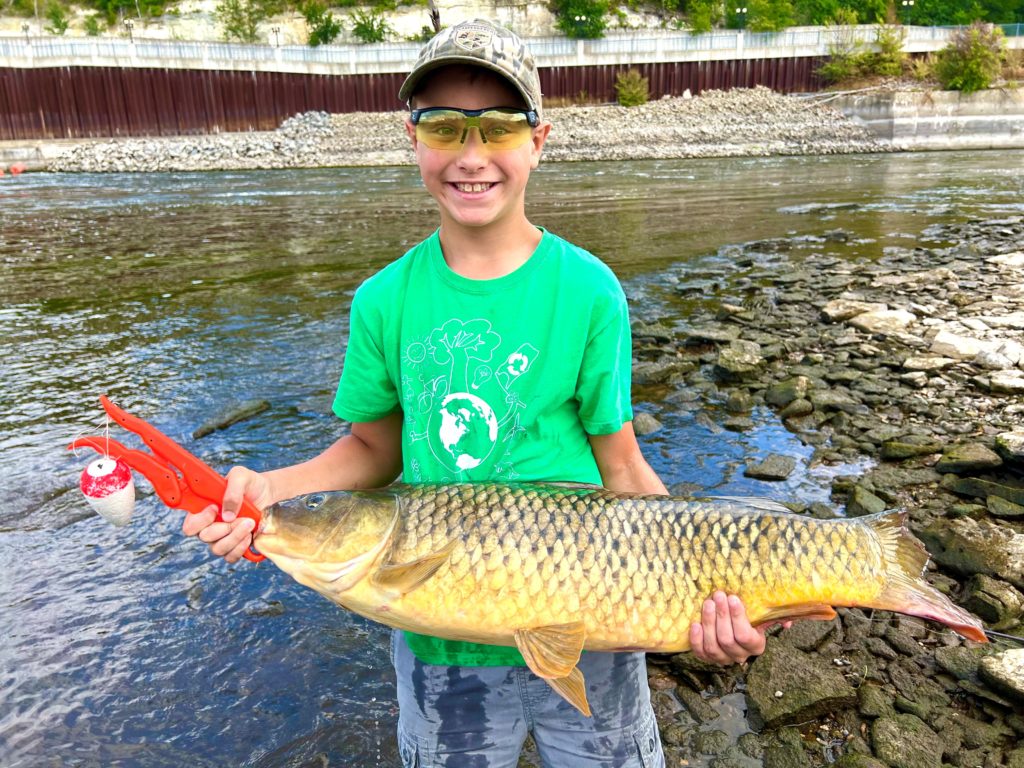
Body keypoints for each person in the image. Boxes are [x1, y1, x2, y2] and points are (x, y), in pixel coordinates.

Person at [183, 18, 772, 767]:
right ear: (413, 137)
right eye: (443, 126)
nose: (471, 155)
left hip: (591, 606)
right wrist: (267, 490)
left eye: (496, 128)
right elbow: (372, 446)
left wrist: (709, 593)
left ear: (538, 141)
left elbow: (621, 466)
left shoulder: (589, 289)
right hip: (439, 641)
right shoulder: (384, 300)